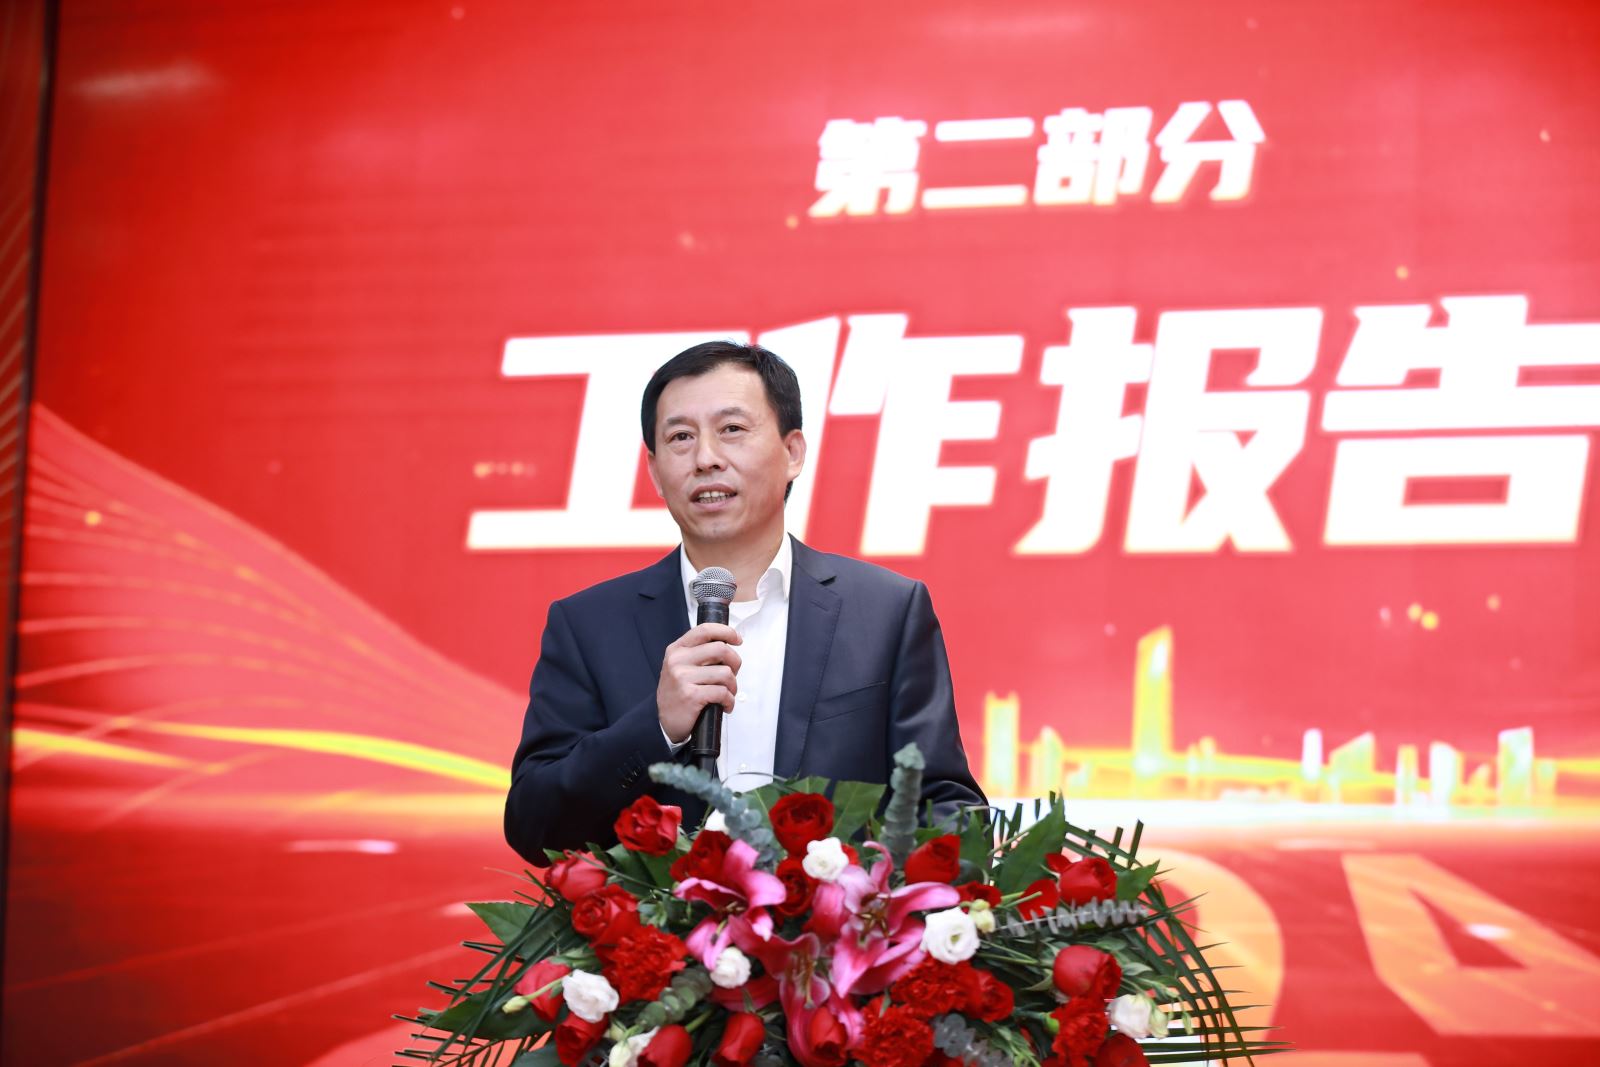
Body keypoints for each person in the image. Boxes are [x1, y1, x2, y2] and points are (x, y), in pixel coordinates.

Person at [504, 340, 985, 864]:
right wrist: (656, 726)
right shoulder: (588, 625)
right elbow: (534, 824)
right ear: (655, 472)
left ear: (793, 452)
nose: (706, 458)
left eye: (732, 429)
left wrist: (867, 895)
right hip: (666, 918)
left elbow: (946, 805)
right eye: (681, 437)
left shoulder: (886, 612)